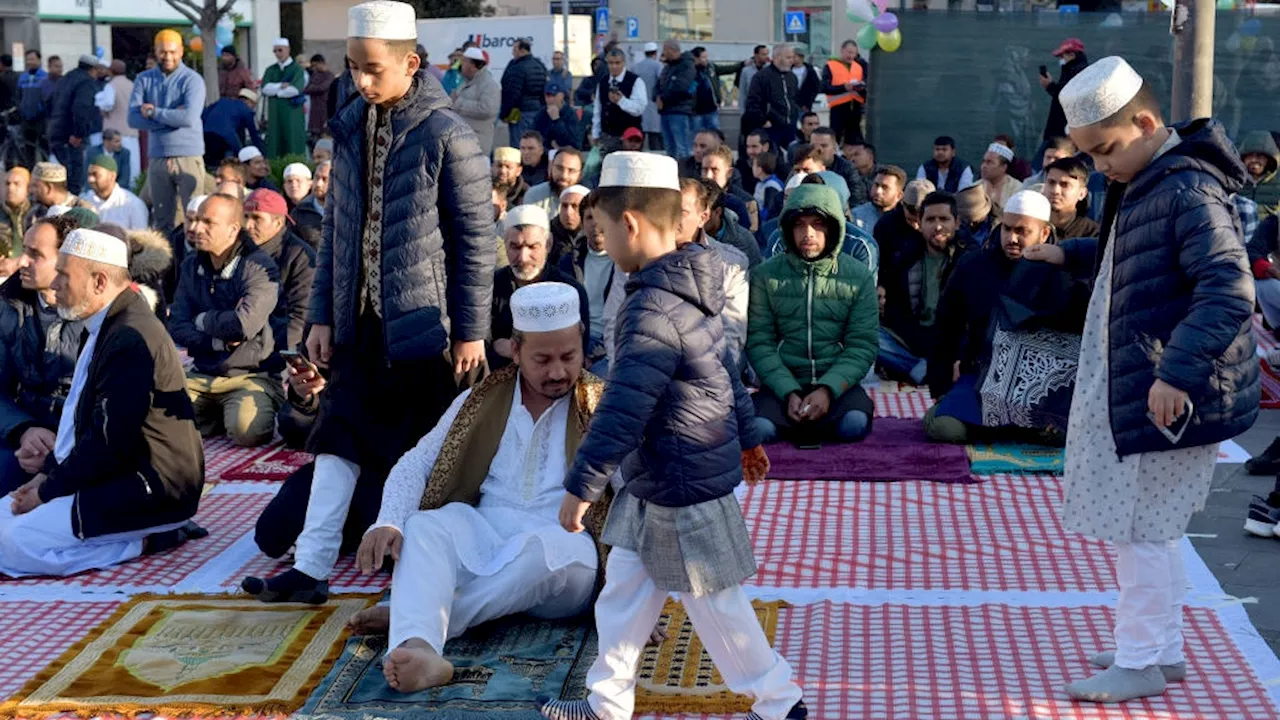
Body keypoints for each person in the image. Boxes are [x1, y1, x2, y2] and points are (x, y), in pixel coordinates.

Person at [242, 0, 494, 604]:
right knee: (335, 439)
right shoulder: (350, 126)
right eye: (353, 67)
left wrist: (470, 330)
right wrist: (323, 315)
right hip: (358, 324)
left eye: (372, 69)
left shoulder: (447, 134)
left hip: (424, 331)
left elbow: (475, 241)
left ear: (411, 63)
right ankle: (312, 569)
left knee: (431, 457)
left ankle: (423, 568)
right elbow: (335, 233)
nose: (358, 80)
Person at [539, 151, 807, 720]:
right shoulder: (690, 284)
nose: (601, 239)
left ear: (629, 224)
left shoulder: (651, 307)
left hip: (681, 482)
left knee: (716, 607)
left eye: (603, 229)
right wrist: (745, 435)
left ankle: (780, 703)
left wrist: (582, 483)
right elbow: (724, 371)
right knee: (625, 595)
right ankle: (606, 702)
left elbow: (624, 407)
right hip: (655, 475)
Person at [1038, 56, 1258, 703]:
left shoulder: (1184, 187)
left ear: (1145, 122)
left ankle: (1139, 658)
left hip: (1168, 390)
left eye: (1105, 151)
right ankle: (1159, 649)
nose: (1100, 167)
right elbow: (1131, 255)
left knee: (1141, 529)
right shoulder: (1148, 178)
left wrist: (1177, 374)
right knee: (1155, 528)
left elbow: (1227, 288)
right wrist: (1068, 251)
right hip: (1156, 382)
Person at [351, 282, 607, 693]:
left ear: (582, 346)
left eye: (569, 357)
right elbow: (416, 462)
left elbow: (637, 494)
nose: (558, 372)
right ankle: (418, 647)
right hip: (486, 535)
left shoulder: (602, 405)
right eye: (542, 359)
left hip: (562, 555)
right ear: (514, 350)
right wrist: (389, 521)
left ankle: (428, 618)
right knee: (425, 527)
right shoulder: (479, 400)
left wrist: (630, 606)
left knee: (554, 550)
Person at [0, 228, 204, 578]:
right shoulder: (107, 324)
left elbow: (110, 443)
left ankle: (150, 539)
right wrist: (48, 472)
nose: (55, 285)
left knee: (16, 544)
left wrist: (48, 489)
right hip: (115, 473)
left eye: (64, 275)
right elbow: (88, 426)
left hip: (151, 488)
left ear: (98, 282)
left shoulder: (129, 336)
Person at [924, 190, 1082, 444]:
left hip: (1041, 387)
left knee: (1063, 435)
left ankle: (1012, 426)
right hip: (982, 379)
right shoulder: (974, 265)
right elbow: (946, 327)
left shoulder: (1066, 272)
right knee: (946, 429)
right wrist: (942, 387)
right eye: (1007, 229)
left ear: (1044, 233)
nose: (1012, 238)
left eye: (1022, 231)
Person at [747, 182, 877, 445]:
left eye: (817, 224)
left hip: (837, 382)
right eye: (799, 224)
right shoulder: (765, 275)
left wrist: (828, 390)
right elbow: (759, 342)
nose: (808, 233)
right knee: (760, 430)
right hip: (781, 383)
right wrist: (788, 391)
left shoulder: (857, 276)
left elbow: (862, 345)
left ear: (833, 228)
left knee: (854, 426)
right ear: (787, 228)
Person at [170, 194, 283, 448]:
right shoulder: (191, 266)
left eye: (208, 222)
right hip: (202, 374)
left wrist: (201, 319)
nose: (196, 228)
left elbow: (243, 326)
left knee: (247, 432)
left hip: (251, 374)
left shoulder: (258, 267)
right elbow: (176, 326)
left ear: (233, 228)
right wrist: (217, 343)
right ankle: (214, 415)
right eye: (196, 220)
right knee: (155, 415)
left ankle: (218, 415)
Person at [0, 216, 87, 494]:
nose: (21, 262)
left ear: (65, 261)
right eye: (23, 250)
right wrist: (24, 430)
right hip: (24, 433)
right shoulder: (8, 306)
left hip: (83, 441)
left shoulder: (98, 311)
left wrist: (58, 447)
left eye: (35, 254)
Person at [878, 191, 973, 385]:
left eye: (944, 219)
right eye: (930, 219)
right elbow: (895, 311)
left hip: (952, 342)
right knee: (867, 335)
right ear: (919, 224)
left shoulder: (970, 259)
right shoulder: (906, 257)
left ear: (956, 222)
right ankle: (921, 368)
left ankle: (922, 369)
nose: (938, 226)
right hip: (914, 339)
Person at [489, 205, 589, 370]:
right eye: (515, 247)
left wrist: (519, 350)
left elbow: (576, 351)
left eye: (532, 247)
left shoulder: (569, 290)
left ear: (548, 244)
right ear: (505, 245)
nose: (523, 257)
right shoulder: (491, 287)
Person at [130, 29, 206, 231]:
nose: (168, 57)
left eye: (173, 52)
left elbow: (189, 117)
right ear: (155, 51)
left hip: (188, 155)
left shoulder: (192, 80)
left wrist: (154, 112)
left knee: (194, 217)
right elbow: (133, 118)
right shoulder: (143, 79)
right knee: (162, 220)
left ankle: (191, 261)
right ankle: (166, 262)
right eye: (163, 52)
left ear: (181, 51)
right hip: (158, 156)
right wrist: (173, 117)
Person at [684, 178, 751, 374]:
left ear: (702, 217)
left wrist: (712, 377)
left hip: (713, 369)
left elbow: (732, 332)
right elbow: (617, 322)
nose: (672, 219)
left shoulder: (733, 262)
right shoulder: (646, 257)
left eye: (681, 212)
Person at [243, 188, 316, 360]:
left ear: (278, 223)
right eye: (245, 217)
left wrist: (265, 352)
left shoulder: (300, 257)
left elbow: (300, 317)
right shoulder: (239, 249)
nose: (248, 225)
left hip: (275, 351)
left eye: (256, 218)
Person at [559, 194, 613, 373]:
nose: (596, 224)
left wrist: (594, 354)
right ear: (582, 223)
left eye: (601, 217)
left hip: (610, 346)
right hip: (574, 342)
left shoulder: (624, 264)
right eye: (590, 217)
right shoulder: (569, 262)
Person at [47, 55, 102, 197]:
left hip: (56, 131)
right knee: (74, 179)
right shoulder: (86, 82)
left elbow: (49, 103)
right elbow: (81, 109)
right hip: (71, 136)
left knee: (61, 177)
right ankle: (71, 213)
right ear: (93, 69)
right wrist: (78, 133)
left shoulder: (64, 79)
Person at [743, 43, 799, 156]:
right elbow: (752, 102)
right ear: (777, 57)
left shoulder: (792, 77)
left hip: (789, 125)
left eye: (792, 57)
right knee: (772, 157)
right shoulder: (762, 77)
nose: (792, 60)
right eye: (788, 57)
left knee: (794, 156)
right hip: (771, 127)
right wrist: (763, 120)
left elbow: (794, 99)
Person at [590, 48, 646, 153]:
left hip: (630, 137)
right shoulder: (603, 82)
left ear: (623, 63)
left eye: (617, 63)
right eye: (611, 63)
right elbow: (598, 109)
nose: (614, 66)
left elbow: (639, 108)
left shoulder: (635, 81)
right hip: (608, 135)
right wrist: (595, 133)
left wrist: (621, 101)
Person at [261, 38, 308, 158]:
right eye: (275, 51)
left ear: (288, 50)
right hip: (275, 113)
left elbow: (294, 90)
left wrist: (275, 91)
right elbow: (265, 88)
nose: (277, 54)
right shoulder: (271, 69)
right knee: (275, 140)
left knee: (292, 140)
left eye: (280, 50)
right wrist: (281, 86)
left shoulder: (297, 69)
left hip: (292, 112)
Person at [450, 47, 501, 156]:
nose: (461, 64)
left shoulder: (489, 85)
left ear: (472, 65)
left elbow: (488, 109)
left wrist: (459, 103)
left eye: (464, 61)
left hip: (478, 142)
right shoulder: (466, 82)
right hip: (461, 139)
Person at [1039, 38, 1089, 147]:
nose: (1061, 60)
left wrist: (1050, 86)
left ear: (1072, 54)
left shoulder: (1077, 71)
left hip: (1062, 133)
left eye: (1062, 56)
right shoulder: (1071, 70)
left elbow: (1067, 96)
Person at [499, 38, 547, 148]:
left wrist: (504, 113)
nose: (513, 52)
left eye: (514, 49)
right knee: (534, 145)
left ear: (522, 50)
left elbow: (511, 94)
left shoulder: (517, 68)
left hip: (519, 113)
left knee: (519, 146)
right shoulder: (540, 65)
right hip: (537, 111)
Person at [98, 61, 139, 185]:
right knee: (133, 165)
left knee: (116, 164)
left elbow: (108, 104)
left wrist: (102, 109)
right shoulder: (132, 85)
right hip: (132, 130)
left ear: (111, 71)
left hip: (115, 132)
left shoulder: (111, 85)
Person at [80, 156, 148, 230]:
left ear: (112, 176)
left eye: (96, 175)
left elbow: (140, 238)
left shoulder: (132, 204)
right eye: (89, 174)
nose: (90, 179)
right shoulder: (85, 200)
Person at [656, 40, 697, 160]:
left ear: (672, 50)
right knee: (670, 149)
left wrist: (663, 98)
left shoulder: (686, 66)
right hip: (666, 111)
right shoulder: (668, 67)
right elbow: (658, 84)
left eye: (665, 49)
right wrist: (657, 96)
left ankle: (684, 174)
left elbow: (680, 87)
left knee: (682, 148)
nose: (663, 52)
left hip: (679, 111)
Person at [202, 88, 265, 166]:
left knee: (209, 162)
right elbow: (254, 134)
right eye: (253, 105)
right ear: (249, 102)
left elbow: (204, 115)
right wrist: (261, 153)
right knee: (233, 157)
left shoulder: (222, 101)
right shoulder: (247, 110)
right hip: (225, 136)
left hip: (206, 133)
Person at [823, 39, 867, 146]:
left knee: (855, 140)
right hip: (838, 108)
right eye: (849, 52)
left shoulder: (859, 67)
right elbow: (825, 87)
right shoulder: (830, 66)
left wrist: (860, 88)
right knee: (835, 138)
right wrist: (844, 87)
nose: (851, 55)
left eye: (853, 53)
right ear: (842, 51)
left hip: (855, 108)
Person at [1043, 156, 1099, 239]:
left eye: (1065, 185)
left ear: (1082, 194)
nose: (1056, 191)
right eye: (1051, 182)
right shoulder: (1032, 226)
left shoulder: (1094, 234)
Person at [811, 126, 865, 206]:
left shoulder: (847, 168)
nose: (819, 150)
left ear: (834, 148)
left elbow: (856, 198)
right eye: (813, 146)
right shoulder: (802, 166)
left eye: (824, 146)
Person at [523, 147, 583, 218]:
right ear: (551, 168)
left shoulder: (587, 199)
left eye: (571, 171)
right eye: (559, 168)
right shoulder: (534, 195)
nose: (564, 176)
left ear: (580, 174)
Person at [27, 162, 92, 225]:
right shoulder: (35, 210)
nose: (31, 190)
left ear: (49, 188)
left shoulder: (84, 209)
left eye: (35, 186)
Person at [852, 165, 907, 234]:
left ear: (899, 195)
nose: (878, 191)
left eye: (885, 187)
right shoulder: (856, 215)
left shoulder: (907, 219)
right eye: (876, 185)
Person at [1239, 130, 1280, 219]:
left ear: (1269, 159)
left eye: (1259, 156)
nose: (1254, 160)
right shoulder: (1233, 183)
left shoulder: (1278, 186)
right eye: (1249, 155)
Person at [632, 42, 664, 151]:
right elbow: (662, 83)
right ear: (655, 53)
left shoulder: (636, 67)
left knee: (638, 138)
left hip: (639, 107)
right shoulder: (658, 66)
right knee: (655, 140)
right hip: (654, 105)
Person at [549, 184, 589, 266]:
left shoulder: (596, 235)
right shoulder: (547, 234)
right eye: (564, 206)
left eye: (575, 206)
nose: (568, 213)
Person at [534, 83, 581, 150]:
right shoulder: (541, 114)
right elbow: (535, 135)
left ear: (562, 96)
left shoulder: (570, 114)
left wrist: (556, 120)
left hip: (566, 153)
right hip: (545, 153)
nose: (551, 99)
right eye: (548, 96)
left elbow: (574, 142)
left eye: (554, 95)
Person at [979, 142, 1024, 208]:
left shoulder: (1017, 189)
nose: (984, 166)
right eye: (983, 161)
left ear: (1004, 167)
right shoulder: (974, 188)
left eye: (989, 162)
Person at [0, 168, 30, 264]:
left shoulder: (38, 213)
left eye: (17, 184)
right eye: (7, 184)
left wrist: (16, 264)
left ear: (28, 188)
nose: (10, 188)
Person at [304, 54, 335, 143]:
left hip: (324, 108)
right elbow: (306, 89)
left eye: (315, 65)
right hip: (313, 109)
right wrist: (314, 88)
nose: (314, 68)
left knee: (324, 134)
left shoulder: (329, 75)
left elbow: (323, 87)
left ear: (321, 63)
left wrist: (313, 88)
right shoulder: (315, 75)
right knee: (313, 136)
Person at [691, 46, 721, 131]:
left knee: (715, 134)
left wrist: (741, 64)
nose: (706, 60)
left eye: (706, 57)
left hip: (712, 110)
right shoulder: (690, 71)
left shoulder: (710, 68)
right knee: (697, 136)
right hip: (696, 112)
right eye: (703, 57)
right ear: (696, 58)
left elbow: (726, 69)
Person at [753, 151, 785, 222]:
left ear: (760, 169)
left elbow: (768, 211)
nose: (753, 168)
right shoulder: (760, 184)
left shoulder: (771, 185)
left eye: (754, 165)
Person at [791, 46, 819, 113]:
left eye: (794, 57)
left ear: (801, 58)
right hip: (792, 104)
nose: (792, 59)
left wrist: (808, 103)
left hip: (805, 106)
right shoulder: (788, 70)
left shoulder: (810, 71)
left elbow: (816, 88)